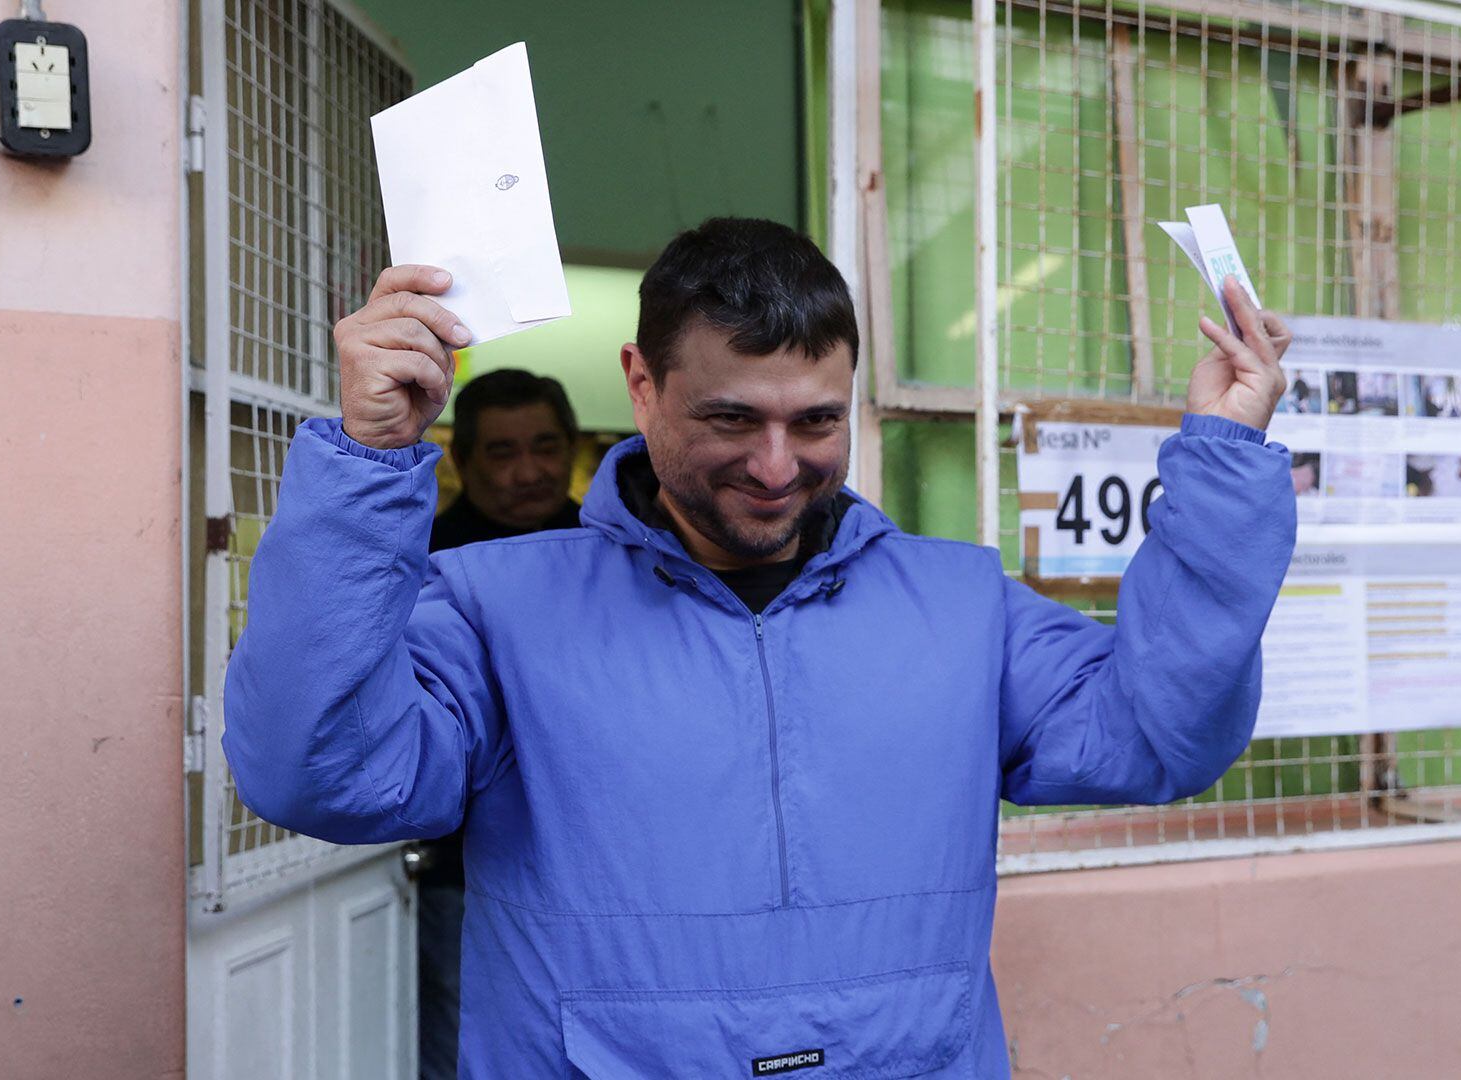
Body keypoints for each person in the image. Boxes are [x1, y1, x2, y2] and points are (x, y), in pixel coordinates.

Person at [222, 217, 1297, 1078]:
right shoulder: (494, 607)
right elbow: (321, 775)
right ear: (642, 386)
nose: (778, 467)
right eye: (733, 420)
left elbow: (1160, 738)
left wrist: (1222, 462)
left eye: (816, 423)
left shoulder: (963, 603)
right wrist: (368, 464)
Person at [418, 367, 581, 1080]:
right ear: (462, 460)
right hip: (465, 868)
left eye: (545, 447)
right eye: (502, 452)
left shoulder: (622, 547)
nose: (528, 471)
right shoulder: (429, 560)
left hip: (600, 864)